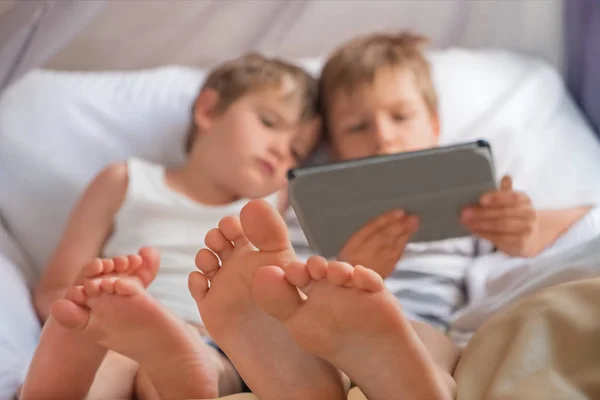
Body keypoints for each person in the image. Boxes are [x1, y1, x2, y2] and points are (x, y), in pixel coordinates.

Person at [299, 31, 593, 395]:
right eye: (357, 127)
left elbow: (584, 225)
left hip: (416, 327)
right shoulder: (319, 210)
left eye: (401, 116)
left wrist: (525, 231)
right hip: (333, 326)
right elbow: (296, 286)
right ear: (334, 147)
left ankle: (418, 383)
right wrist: (351, 269)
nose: (383, 137)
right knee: (309, 343)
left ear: (434, 126)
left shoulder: (468, 205)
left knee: (428, 341)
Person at [20, 53, 325, 400]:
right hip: (121, 329)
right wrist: (87, 304)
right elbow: (55, 288)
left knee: (208, 364)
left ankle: (176, 362)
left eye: (297, 152)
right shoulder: (126, 181)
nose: (280, 150)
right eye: (269, 122)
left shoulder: (274, 207)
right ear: (209, 111)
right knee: (114, 363)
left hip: (219, 339)